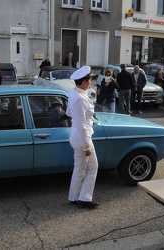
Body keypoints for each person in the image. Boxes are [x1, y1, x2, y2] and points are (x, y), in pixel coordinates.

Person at [66, 65, 98, 209]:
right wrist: (87, 146)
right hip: (82, 138)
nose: (90, 82)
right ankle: (84, 198)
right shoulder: (80, 98)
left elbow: (69, 113)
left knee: (79, 168)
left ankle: (73, 197)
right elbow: (81, 125)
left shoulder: (74, 93)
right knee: (93, 167)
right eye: (90, 80)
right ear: (84, 82)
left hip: (76, 136)